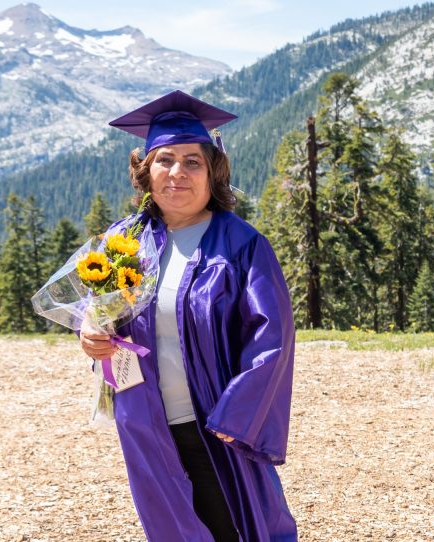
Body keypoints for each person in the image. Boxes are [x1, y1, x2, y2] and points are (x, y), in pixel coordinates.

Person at [79, 90, 297, 542]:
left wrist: (236, 420)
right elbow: (101, 314)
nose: (177, 173)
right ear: (147, 171)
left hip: (217, 425)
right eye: (166, 160)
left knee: (238, 527)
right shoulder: (125, 242)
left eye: (193, 161)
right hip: (147, 422)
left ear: (212, 173)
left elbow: (272, 339)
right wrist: (89, 331)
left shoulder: (240, 244)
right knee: (170, 530)